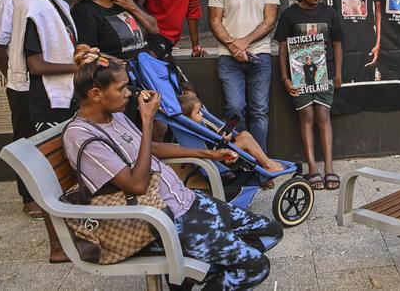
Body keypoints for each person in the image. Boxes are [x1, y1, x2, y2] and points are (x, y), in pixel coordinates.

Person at [63, 48, 282, 290]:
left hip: (185, 200)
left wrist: (209, 154)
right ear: (95, 94)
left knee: (270, 231)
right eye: (121, 88)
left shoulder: (113, 116)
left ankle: (191, 274)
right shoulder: (81, 135)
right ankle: (196, 270)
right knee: (256, 266)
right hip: (158, 221)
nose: (128, 94)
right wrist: (147, 122)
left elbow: (153, 148)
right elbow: (137, 185)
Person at [9, 0, 79, 263]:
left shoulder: (55, 3)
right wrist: (77, 68)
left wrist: (81, 54)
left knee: (66, 171)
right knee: (55, 175)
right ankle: (57, 246)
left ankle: (70, 239)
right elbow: (36, 64)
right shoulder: (32, 4)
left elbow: (62, 48)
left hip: (62, 95)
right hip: (47, 101)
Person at [208, 0, 279, 167]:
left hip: (259, 54)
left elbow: (270, 20)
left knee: (260, 110)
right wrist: (232, 45)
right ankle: (242, 162)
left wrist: (244, 42)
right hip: (229, 58)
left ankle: (261, 164)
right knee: (235, 108)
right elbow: (214, 20)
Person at [274, 0, 343, 191]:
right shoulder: (289, 15)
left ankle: (329, 167)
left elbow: (338, 43)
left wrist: (338, 73)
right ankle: (312, 167)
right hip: (298, 77)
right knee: (307, 116)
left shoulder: (329, 13)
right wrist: (285, 78)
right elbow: (282, 48)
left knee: (323, 115)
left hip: (325, 74)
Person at [0, 0, 39, 217]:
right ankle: (28, 197)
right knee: (25, 138)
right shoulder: (10, 1)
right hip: (23, 84)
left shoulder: (51, 0)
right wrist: (12, 77)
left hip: (52, 87)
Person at [72, 0, 159, 60]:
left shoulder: (125, 1)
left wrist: (133, 7)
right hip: (117, 70)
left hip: (145, 66)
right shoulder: (85, 11)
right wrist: (115, 63)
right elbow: (90, 51)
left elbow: (154, 29)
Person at [178, 93, 284, 173]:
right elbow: (207, 148)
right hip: (217, 159)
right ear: (187, 117)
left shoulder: (197, 125)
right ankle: (268, 165)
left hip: (218, 149)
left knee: (245, 134)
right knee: (246, 141)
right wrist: (224, 141)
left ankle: (265, 162)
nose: (201, 114)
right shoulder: (193, 128)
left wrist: (224, 139)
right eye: (197, 112)